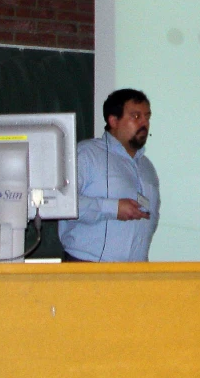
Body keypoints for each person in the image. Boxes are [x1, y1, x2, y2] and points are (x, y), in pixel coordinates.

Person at [59, 88, 160, 261]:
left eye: (147, 117)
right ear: (113, 120)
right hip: (87, 268)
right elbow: (60, 202)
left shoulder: (147, 166)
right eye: (136, 116)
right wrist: (113, 208)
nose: (144, 123)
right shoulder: (86, 155)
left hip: (135, 273)